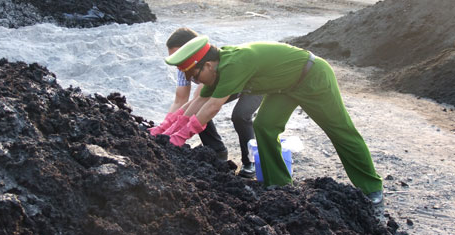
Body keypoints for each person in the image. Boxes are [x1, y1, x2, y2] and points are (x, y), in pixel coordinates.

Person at [162, 35, 384, 205]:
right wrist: (168, 129)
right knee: (264, 125)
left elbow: (212, 106)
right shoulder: (218, 68)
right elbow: (198, 101)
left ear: (208, 65)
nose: (194, 81)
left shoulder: (233, 64)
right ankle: (278, 184)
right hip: (285, 86)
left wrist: (182, 137)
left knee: (340, 130)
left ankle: (372, 187)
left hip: (312, 77)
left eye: (194, 75)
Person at [150, 28, 262, 176]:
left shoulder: (207, 64)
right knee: (198, 110)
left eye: (178, 55)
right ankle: (217, 151)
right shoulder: (184, 66)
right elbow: (180, 100)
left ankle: (250, 162)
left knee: (239, 115)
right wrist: (164, 130)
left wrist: (179, 136)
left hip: (254, 80)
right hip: (229, 84)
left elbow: (204, 102)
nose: (177, 63)